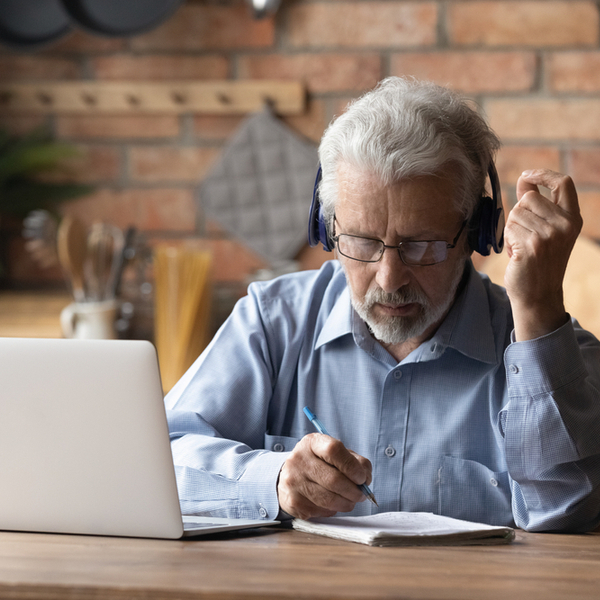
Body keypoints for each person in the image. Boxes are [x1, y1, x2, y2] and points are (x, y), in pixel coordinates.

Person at [165, 77, 600, 532]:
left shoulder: (555, 354)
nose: (389, 279)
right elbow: (160, 458)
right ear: (325, 228)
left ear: (477, 234)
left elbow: (565, 512)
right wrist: (271, 479)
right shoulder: (274, 322)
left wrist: (538, 307)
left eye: (422, 245)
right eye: (361, 242)